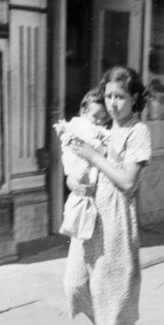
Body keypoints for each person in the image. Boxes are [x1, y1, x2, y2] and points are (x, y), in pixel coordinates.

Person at [63, 66, 152, 325]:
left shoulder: (136, 132)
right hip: (89, 217)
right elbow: (75, 170)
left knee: (108, 290)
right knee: (75, 285)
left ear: (134, 99)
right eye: (110, 96)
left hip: (115, 219)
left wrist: (93, 154)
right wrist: (73, 182)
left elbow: (128, 182)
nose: (113, 103)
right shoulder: (99, 126)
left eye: (121, 97)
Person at [54, 88, 111, 240]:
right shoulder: (81, 125)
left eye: (103, 119)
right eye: (96, 117)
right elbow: (89, 142)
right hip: (78, 164)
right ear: (83, 111)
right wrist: (101, 148)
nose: (99, 122)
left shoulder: (97, 130)